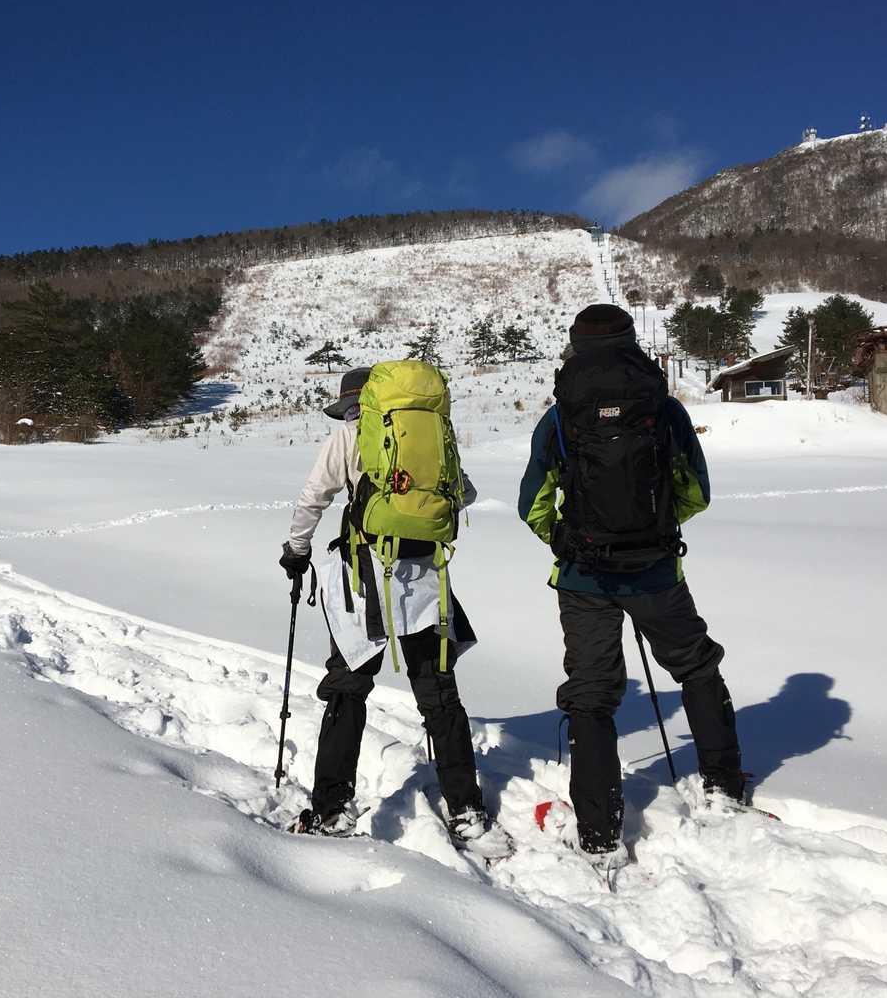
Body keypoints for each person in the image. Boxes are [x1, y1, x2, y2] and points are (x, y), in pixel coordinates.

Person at [517, 304, 744, 859]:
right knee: (696, 666)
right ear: (630, 342)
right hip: (657, 572)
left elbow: (532, 503)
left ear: (576, 345)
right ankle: (724, 788)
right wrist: (653, 530)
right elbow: (696, 491)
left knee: (591, 695)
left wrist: (568, 539)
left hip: (583, 578)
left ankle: (598, 831)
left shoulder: (562, 415)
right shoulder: (664, 409)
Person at [278, 366, 496, 848]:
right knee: (439, 692)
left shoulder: (348, 436)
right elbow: (465, 492)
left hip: (365, 581)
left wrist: (297, 549)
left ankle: (332, 809)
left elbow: (314, 497)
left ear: (352, 405)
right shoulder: (427, 434)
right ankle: (466, 809)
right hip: (425, 579)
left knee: (347, 688)